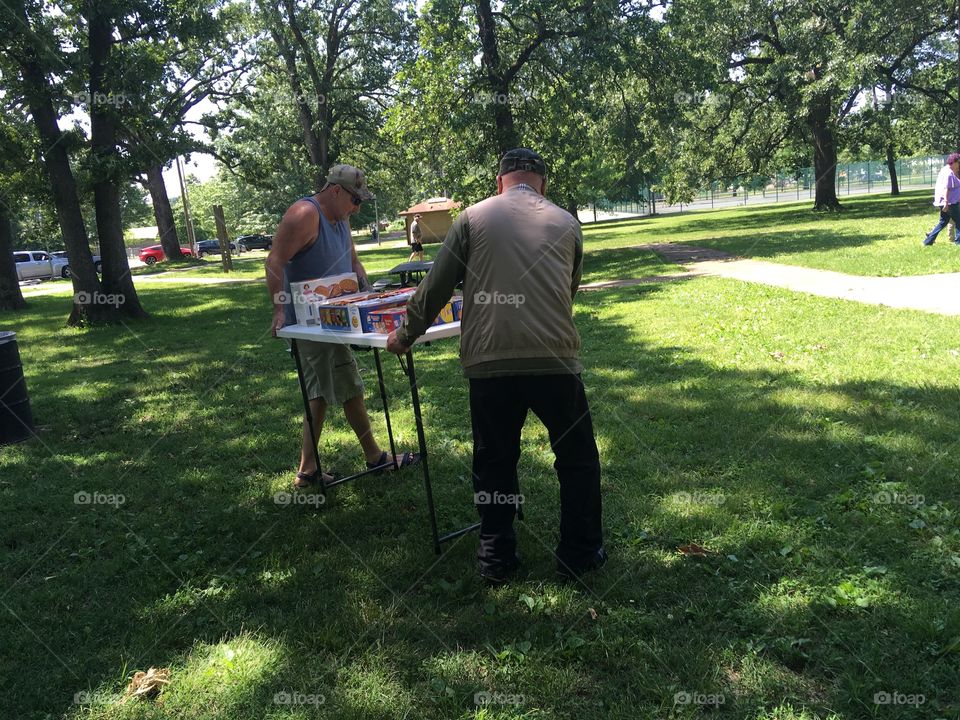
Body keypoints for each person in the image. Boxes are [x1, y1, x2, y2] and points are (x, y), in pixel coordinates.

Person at [386, 148, 605, 583]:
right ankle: (579, 553)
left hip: (490, 362)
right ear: (542, 182)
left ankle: (495, 557)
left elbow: (437, 285)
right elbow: (568, 290)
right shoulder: (567, 222)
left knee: (494, 460)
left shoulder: (471, 218)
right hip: (555, 360)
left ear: (499, 180)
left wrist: (405, 334)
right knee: (577, 458)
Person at [266, 164, 418, 488]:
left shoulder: (341, 218)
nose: (357, 207)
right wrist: (279, 309)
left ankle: (306, 472)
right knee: (349, 385)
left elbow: (353, 262)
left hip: (335, 319)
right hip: (309, 324)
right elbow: (274, 261)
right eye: (354, 200)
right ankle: (376, 457)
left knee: (318, 393)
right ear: (335, 191)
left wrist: (370, 296)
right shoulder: (305, 213)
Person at [922, 153, 960, 246]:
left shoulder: (947, 170)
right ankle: (958, 242)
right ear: (954, 162)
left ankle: (927, 241)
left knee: (943, 222)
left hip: (947, 202)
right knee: (959, 221)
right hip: (950, 202)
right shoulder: (949, 173)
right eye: (959, 162)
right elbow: (946, 188)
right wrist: (946, 203)